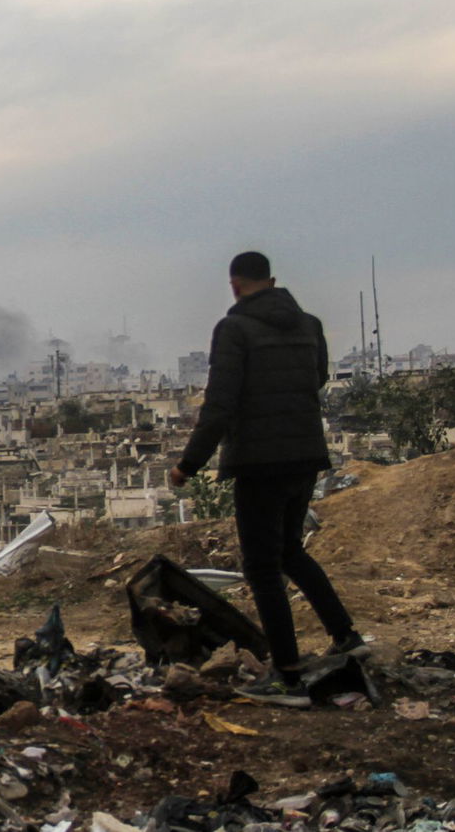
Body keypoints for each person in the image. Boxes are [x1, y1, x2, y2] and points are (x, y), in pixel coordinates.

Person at [170, 251, 365, 708]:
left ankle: (288, 677)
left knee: (262, 568)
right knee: (290, 551)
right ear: (272, 281)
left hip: (259, 461)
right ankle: (345, 636)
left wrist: (188, 465)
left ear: (235, 285)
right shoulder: (310, 325)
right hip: (305, 455)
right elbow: (315, 380)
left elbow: (220, 404)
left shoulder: (233, 329)